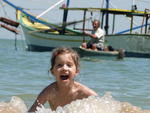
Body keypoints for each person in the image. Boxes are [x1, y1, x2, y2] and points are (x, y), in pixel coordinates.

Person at [28, 47, 98, 112]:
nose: (64, 68)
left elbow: (101, 105)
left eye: (69, 65)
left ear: (76, 71)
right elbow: (32, 110)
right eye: (59, 65)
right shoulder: (49, 91)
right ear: (53, 72)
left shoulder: (83, 93)